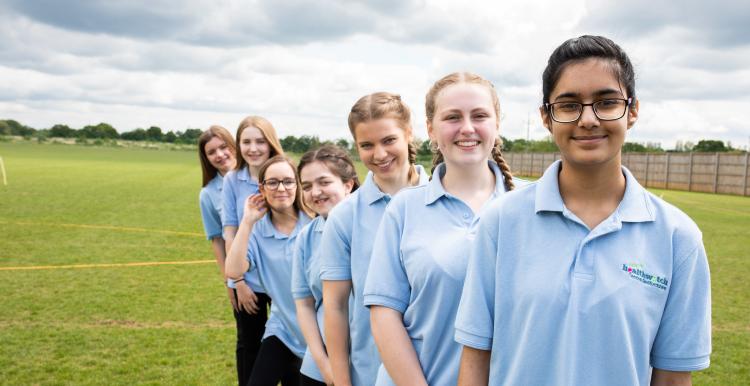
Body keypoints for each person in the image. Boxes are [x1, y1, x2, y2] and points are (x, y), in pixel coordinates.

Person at [455, 35, 711, 386]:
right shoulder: (500, 222)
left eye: (606, 102)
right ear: (546, 117)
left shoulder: (678, 238)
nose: (588, 119)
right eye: (569, 104)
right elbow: (475, 357)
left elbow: (672, 377)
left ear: (632, 110)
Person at [363, 72, 523, 386]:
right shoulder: (404, 210)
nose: (467, 128)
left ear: (497, 124)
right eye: (452, 117)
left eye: (479, 115)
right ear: (431, 129)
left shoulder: (529, 206)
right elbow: (384, 315)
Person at [320, 92, 429, 386]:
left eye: (388, 140)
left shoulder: (445, 202)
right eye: (367, 145)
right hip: (370, 373)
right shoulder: (344, 217)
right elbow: (335, 307)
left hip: (441, 369)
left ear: (408, 133)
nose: (379, 154)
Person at [226, 155, 313, 386]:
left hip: (320, 332)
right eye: (273, 182)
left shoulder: (315, 223)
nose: (281, 188)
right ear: (261, 188)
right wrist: (247, 222)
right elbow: (233, 271)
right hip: (283, 329)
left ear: (297, 184)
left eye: (288, 181)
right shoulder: (256, 230)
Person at [221, 116, 284, 385]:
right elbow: (230, 232)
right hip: (250, 282)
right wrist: (237, 282)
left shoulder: (284, 174)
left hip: (282, 280)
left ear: (271, 144)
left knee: (289, 349)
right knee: (250, 344)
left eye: (260, 141)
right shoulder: (233, 180)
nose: (253, 148)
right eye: (246, 142)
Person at [292, 145, 361, 386]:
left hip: (372, 364)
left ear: (348, 184)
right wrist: (324, 365)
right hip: (321, 370)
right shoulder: (306, 237)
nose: (315, 192)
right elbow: (304, 305)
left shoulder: (375, 225)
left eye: (324, 182)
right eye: (307, 186)